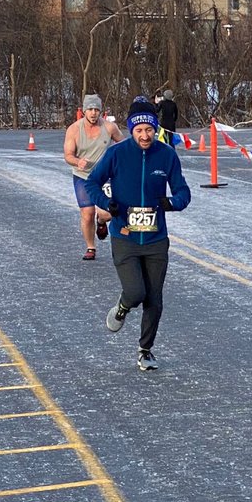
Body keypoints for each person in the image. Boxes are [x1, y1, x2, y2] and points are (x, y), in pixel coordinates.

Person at [84, 97, 190, 371]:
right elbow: (93, 182)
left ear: (156, 129)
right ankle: (122, 306)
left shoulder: (166, 155)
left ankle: (145, 350)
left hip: (156, 240)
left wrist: (172, 203)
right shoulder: (117, 153)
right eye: (139, 130)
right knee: (135, 291)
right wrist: (107, 204)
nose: (145, 135)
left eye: (149, 130)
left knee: (154, 298)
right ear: (131, 130)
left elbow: (183, 192)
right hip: (125, 236)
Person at [64, 94, 124, 260]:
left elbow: (124, 146)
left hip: (104, 177)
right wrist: (77, 161)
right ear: (84, 111)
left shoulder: (109, 127)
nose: (93, 113)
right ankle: (91, 247)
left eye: (96, 109)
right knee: (87, 212)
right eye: (90, 109)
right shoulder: (74, 129)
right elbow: (68, 155)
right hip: (83, 176)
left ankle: (102, 222)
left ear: (101, 111)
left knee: (108, 212)